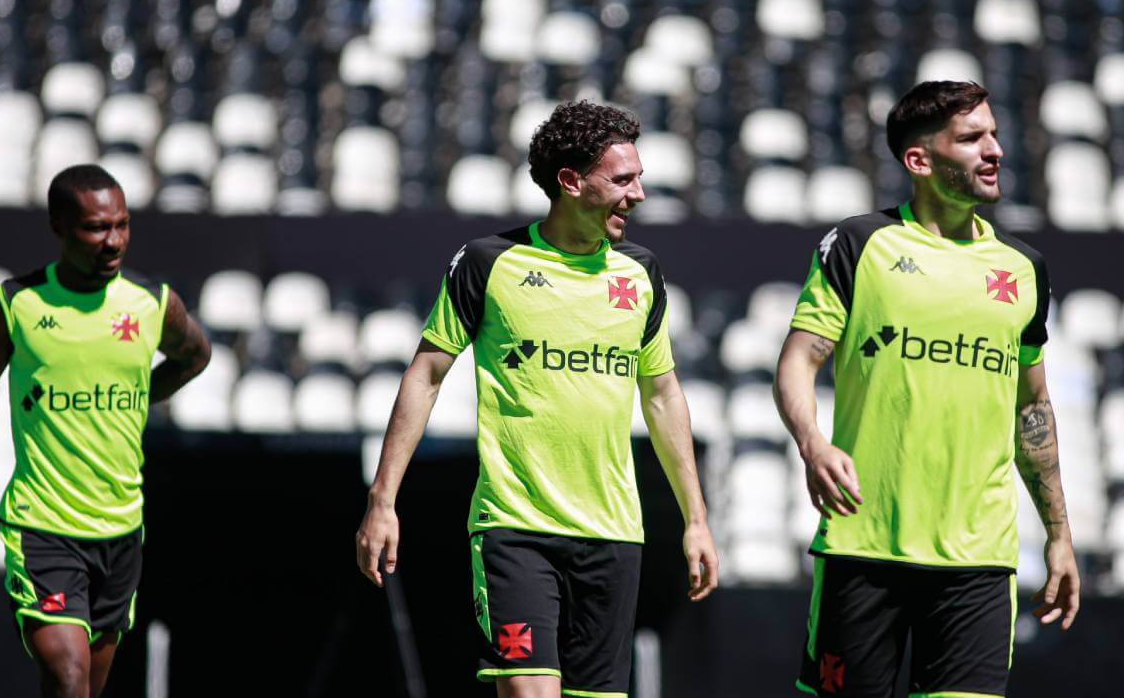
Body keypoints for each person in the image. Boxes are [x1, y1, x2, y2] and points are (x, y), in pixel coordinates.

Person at [356, 100, 718, 697]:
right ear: (571, 183)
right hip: (515, 528)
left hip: (614, 533)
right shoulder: (488, 263)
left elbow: (661, 393)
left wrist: (696, 521)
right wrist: (382, 500)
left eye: (640, 177)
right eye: (623, 180)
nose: (640, 195)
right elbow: (425, 375)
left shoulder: (641, 273)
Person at [775, 81, 1079, 697]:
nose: (993, 150)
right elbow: (798, 362)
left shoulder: (1023, 268)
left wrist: (1060, 535)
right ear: (920, 160)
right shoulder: (860, 244)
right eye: (971, 139)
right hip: (865, 546)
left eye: (993, 134)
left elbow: (1032, 409)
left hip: (980, 559)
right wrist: (812, 443)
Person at [0, 164, 211, 698]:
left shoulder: (152, 303)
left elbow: (196, 354)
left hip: (121, 531)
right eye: (97, 228)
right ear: (59, 226)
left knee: (83, 690)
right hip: (43, 528)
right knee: (68, 674)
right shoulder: (19, 305)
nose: (114, 241)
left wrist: (137, 400)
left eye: (122, 225)